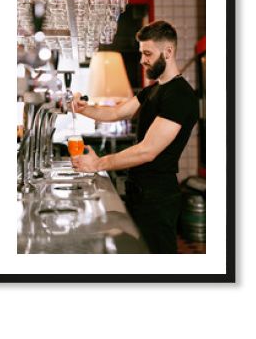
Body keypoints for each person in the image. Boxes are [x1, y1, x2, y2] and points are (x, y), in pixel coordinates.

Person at [71, 20, 199, 254]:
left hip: (158, 196)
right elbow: (117, 112)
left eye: (148, 53)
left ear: (168, 52)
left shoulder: (180, 95)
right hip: (140, 191)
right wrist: (83, 109)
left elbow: (147, 151)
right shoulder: (154, 89)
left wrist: (99, 163)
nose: (142, 60)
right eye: (142, 53)